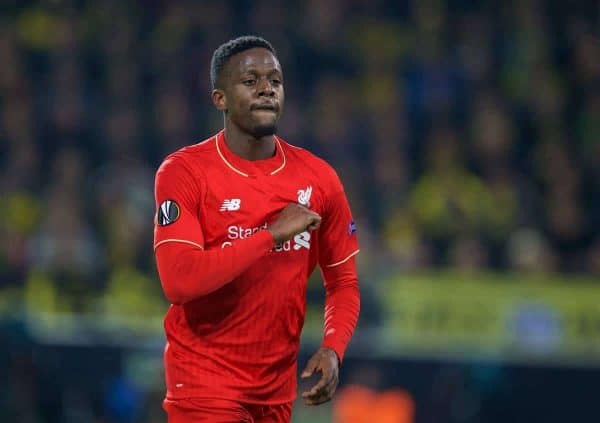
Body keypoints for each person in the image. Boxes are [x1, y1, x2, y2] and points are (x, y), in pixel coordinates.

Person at [153, 35, 361, 423]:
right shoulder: (185, 172)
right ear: (220, 99)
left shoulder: (319, 179)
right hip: (203, 385)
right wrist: (271, 235)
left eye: (275, 81)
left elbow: (343, 282)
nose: (266, 89)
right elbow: (178, 282)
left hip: (275, 392)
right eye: (250, 81)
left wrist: (333, 348)